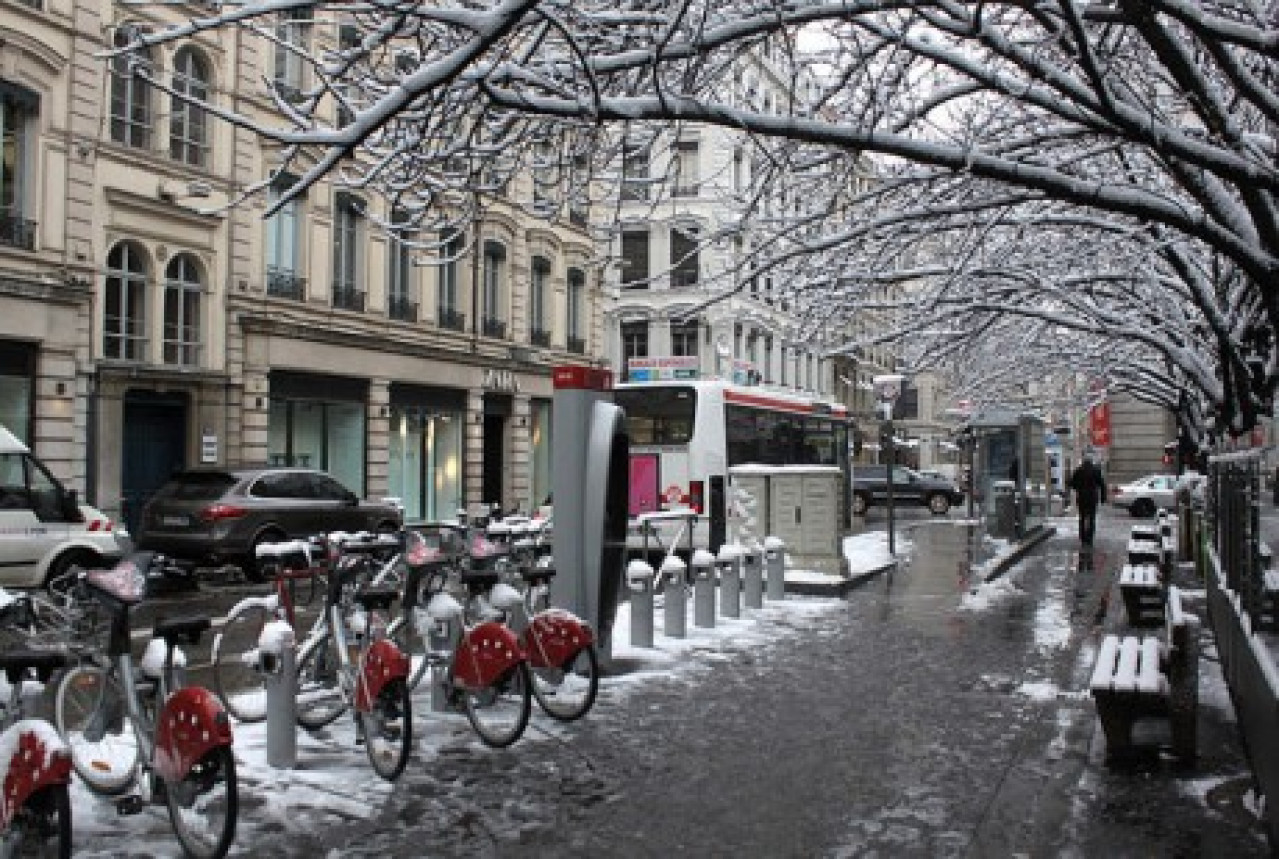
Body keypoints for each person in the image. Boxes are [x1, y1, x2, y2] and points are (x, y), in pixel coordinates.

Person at [1068, 454, 1107, 545]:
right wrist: (1103, 498)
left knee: (1082, 517)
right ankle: (1090, 538)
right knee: (1092, 518)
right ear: (1091, 461)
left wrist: (1078, 488)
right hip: (1092, 497)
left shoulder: (1078, 470)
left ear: (1083, 461)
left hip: (1082, 497)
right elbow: (1102, 485)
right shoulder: (1096, 471)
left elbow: (1072, 484)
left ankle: (1082, 537)